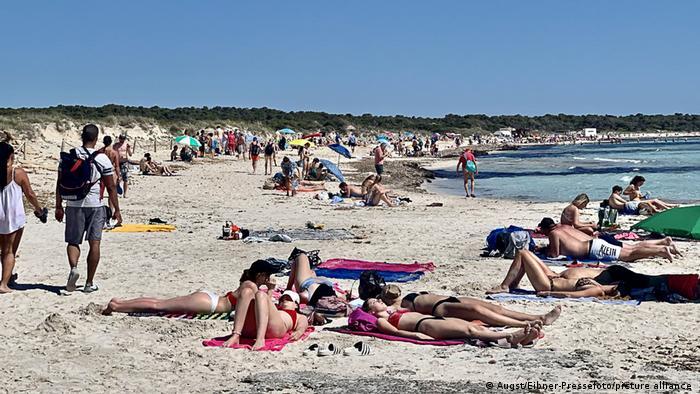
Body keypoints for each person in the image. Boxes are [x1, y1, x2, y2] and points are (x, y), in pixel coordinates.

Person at [55, 124, 122, 293]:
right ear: (96, 138)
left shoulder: (70, 156)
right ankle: (89, 283)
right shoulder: (102, 158)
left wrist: (58, 206)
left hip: (73, 204)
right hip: (95, 205)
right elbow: (111, 186)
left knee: (73, 241)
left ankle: (73, 269)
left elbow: (59, 182)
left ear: (81, 136)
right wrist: (117, 210)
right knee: (95, 243)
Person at [488, 250, 699, 300]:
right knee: (524, 253)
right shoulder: (609, 285)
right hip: (554, 277)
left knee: (524, 253)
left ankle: (507, 286)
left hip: (550, 284)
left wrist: (548, 294)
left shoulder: (600, 289)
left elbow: (575, 296)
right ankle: (510, 284)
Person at [103, 259, 277, 315]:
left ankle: (120, 303)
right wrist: (269, 289)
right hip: (209, 304)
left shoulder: (248, 283)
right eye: (267, 276)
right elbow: (264, 308)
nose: (269, 279)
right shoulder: (251, 286)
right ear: (261, 275)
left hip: (210, 298)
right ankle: (117, 306)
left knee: (161, 302)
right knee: (159, 305)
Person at [363, 298, 541, 347]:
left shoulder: (394, 309)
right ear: (371, 310)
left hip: (433, 320)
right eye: (373, 302)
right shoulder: (381, 319)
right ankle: (510, 335)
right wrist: (415, 336)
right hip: (425, 325)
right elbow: (395, 333)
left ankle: (520, 338)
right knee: (470, 331)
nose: (378, 300)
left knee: (472, 327)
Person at [0, 142, 46, 293]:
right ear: (11, 157)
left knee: (5, 250)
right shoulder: (16, 173)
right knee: (10, 251)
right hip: (13, 216)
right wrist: (39, 210)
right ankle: (4, 284)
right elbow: (30, 194)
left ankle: (8, 276)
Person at [391, 291, 561, 328]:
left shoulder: (402, 294)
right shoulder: (396, 305)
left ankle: (539, 317)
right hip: (439, 308)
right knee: (480, 312)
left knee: (495, 308)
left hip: (447, 298)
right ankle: (524, 324)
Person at [537, 217, 674, 262]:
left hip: (594, 249)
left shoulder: (554, 234)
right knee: (631, 251)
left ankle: (661, 250)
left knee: (629, 255)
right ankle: (660, 248)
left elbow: (554, 254)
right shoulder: (562, 228)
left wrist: (544, 251)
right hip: (594, 243)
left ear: (545, 228)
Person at [222, 289, 308, 350]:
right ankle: (236, 335)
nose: (284, 301)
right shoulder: (275, 309)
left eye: (288, 299)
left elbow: (303, 324)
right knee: (246, 291)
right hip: (256, 327)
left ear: (296, 305)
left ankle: (260, 339)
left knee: (260, 294)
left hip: (277, 328)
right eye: (282, 299)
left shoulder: (298, 315)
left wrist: (299, 332)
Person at [99, 136, 121, 212]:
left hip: (101, 172)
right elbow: (117, 166)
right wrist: (119, 175)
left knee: (100, 191)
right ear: (111, 142)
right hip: (111, 172)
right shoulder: (114, 152)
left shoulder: (100, 151)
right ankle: (111, 210)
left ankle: (99, 207)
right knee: (111, 192)